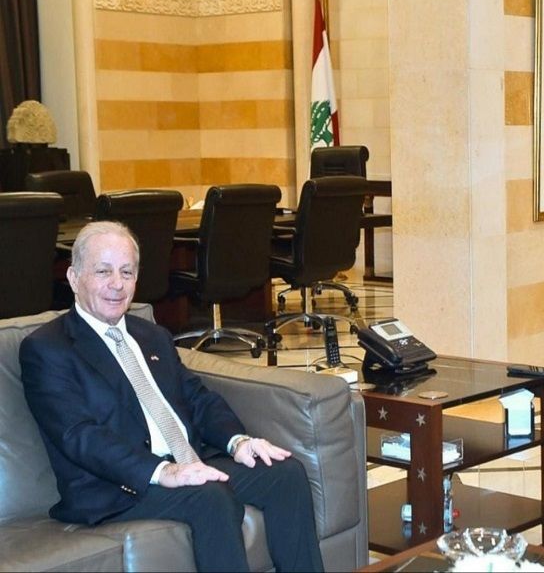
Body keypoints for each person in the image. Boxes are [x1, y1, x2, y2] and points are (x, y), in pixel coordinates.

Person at [20, 221, 324, 572]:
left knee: (285, 474)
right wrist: (161, 471)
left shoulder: (152, 336)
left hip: (187, 463)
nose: (117, 284)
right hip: (118, 485)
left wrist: (238, 442)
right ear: (74, 278)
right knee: (211, 498)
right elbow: (78, 436)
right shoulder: (48, 348)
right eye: (103, 272)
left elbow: (196, 399)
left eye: (126, 272)